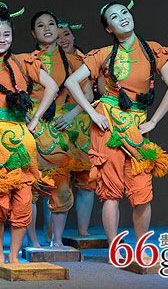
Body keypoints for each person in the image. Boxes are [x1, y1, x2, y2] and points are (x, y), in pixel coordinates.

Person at [64, 0, 168, 261]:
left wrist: (154, 121)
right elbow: (72, 82)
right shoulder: (104, 54)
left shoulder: (152, 50)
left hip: (137, 126)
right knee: (111, 191)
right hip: (108, 125)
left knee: (142, 191)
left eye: (125, 12)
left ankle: (141, 248)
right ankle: (115, 249)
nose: (123, 18)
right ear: (109, 28)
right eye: (115, 17)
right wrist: (93, 113)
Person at [0, 1, 57, 265]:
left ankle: (14, 256)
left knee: (23, 198)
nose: (2, 39)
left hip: (19, 138)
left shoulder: (23, 63)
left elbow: (52, 86)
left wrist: (35, 118)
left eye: (7, 34)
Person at [21, 11, 93, 248]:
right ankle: (33, 241)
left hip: (59, 128)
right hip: (32, 127)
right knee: (29, 186)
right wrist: (24, 113)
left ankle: (57, 240)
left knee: (61, 186)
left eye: (51, 24)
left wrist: (72, 115)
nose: (47, 28)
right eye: (41, 25)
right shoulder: (25, 62)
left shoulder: (73, 62)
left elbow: (88, 95)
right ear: (33, 33)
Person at [57, 19, 95, 237]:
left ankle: (83, 232)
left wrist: (72, 114)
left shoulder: (84, 62)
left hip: (80, 122)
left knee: (86, 180)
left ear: (73, 36)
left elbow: (89, 95)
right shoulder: (47, 62)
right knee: (56, 178)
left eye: (66, 34)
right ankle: (53, 236)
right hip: (56, 124)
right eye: (58, 36)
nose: (63, 39)